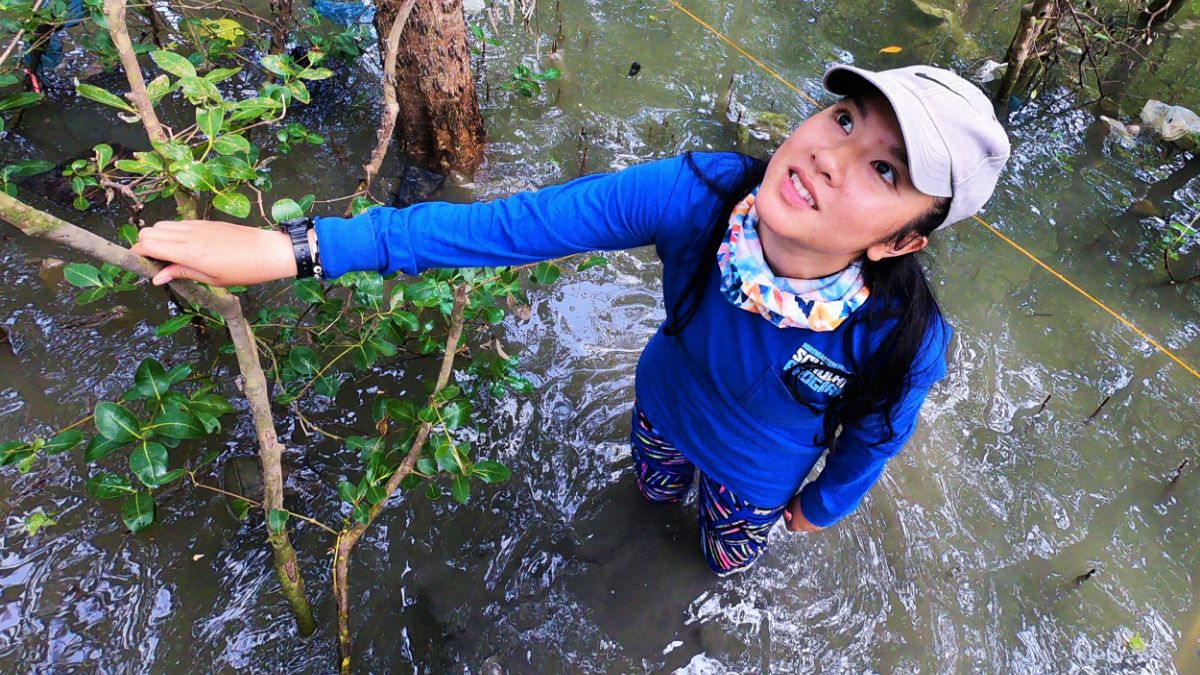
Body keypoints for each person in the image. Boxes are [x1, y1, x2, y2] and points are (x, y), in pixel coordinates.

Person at [129, 64, 1010, 576]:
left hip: (759, 479)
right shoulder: (698, 197)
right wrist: (299, 250)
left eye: (886, 172)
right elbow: (508, 228)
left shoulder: (903, 336)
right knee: (651, 486)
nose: (829, 153)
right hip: (662, 409)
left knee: (720, 557)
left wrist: (819, 509)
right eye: (845, 116)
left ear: (903, 242)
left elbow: (873, 438)